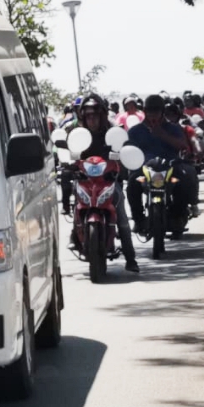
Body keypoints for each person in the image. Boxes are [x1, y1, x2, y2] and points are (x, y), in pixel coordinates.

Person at [67, 94, 139, 273]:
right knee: (76, 203)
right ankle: (74, 235)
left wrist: (120, 164)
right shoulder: (77, 134)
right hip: (85, 183)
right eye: (88, 116)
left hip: (108, 182)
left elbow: (123, 150)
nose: (92, 119)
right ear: (83, 117)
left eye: (95, 115)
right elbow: (68, 154)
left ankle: (130, 258)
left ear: (102, 115)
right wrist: (67, 164)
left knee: (121, 213)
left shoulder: (113, 133)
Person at [127, 94, 200, 234]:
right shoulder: (135, 131)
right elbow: (128, 150)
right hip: (144, 169)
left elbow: (183, 145)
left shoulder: (173, 128)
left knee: (183, 180)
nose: (152, 114)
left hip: (170, 167)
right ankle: (138, 220)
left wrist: (162, 134)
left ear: (162, 112)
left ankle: (178, 216)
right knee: (132, 184)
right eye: (149, 111)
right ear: (144, 111)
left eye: (156, 111)